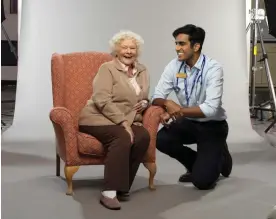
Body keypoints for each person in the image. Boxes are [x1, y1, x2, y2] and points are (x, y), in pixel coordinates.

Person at [152, 24, 232, 190]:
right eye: (176, 43)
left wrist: (178, 110)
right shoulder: (173, 66)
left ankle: (220, 155)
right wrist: (167, 103)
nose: (177, 48)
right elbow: (156, 96)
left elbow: (210, 109)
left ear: (196, 46)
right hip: (188, 123)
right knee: (161, 140)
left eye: (181, 44)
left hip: (213, 126)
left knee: (202, 183)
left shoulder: (213, 68)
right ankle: (197, 164)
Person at [78, 30, 150, 210]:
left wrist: (145, 101)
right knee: (122, 137)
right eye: (124, 47)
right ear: (116, 50)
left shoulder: (142, 70)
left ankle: (122, 186)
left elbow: (142, 95)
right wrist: (123, 123)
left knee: (143, 137)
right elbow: (101, 99)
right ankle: (109, 192)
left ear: (137, 51)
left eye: (132, 48)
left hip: (127, 118)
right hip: (97, 118)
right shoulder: (107, 68)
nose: (128, 51)